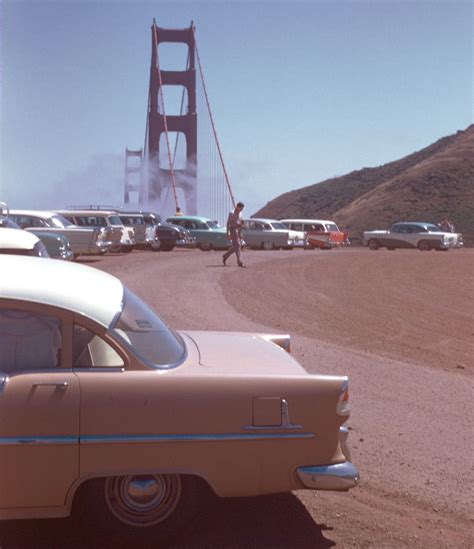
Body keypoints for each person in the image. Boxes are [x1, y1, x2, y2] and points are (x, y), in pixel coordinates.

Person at [222, 202, 245, 267]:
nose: (241, 210)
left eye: (242, 209)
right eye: (241, 208)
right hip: (232, 229)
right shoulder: (231, 213)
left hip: (238, 229)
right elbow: (228, 224)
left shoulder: (240, 213)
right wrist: (228, 233)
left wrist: (241, 232)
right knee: (237, 245)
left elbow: (241, 221)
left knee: (237, 246)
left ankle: (225, 256)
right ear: (237, 207)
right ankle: (239, 261)